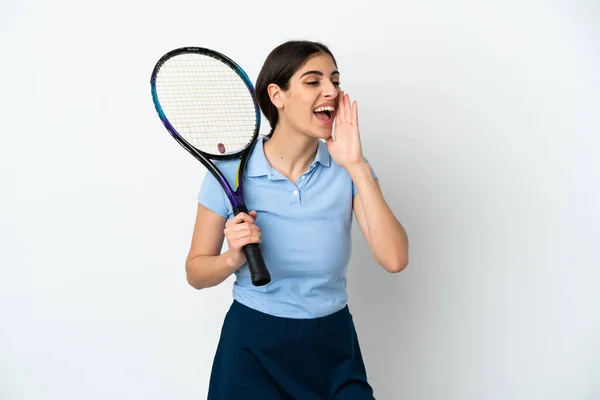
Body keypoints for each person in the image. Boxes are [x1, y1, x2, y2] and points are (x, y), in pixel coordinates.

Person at [185, 40, 409, 400]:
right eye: (313, 81)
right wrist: (232, 258)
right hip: (252, 348)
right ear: (277, 95)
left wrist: (357, 165)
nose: (331, 91)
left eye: (335, 81)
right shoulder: (229, 174)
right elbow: (196, 272)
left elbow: (395, 259)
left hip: (332, 345)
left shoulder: (349, 171)